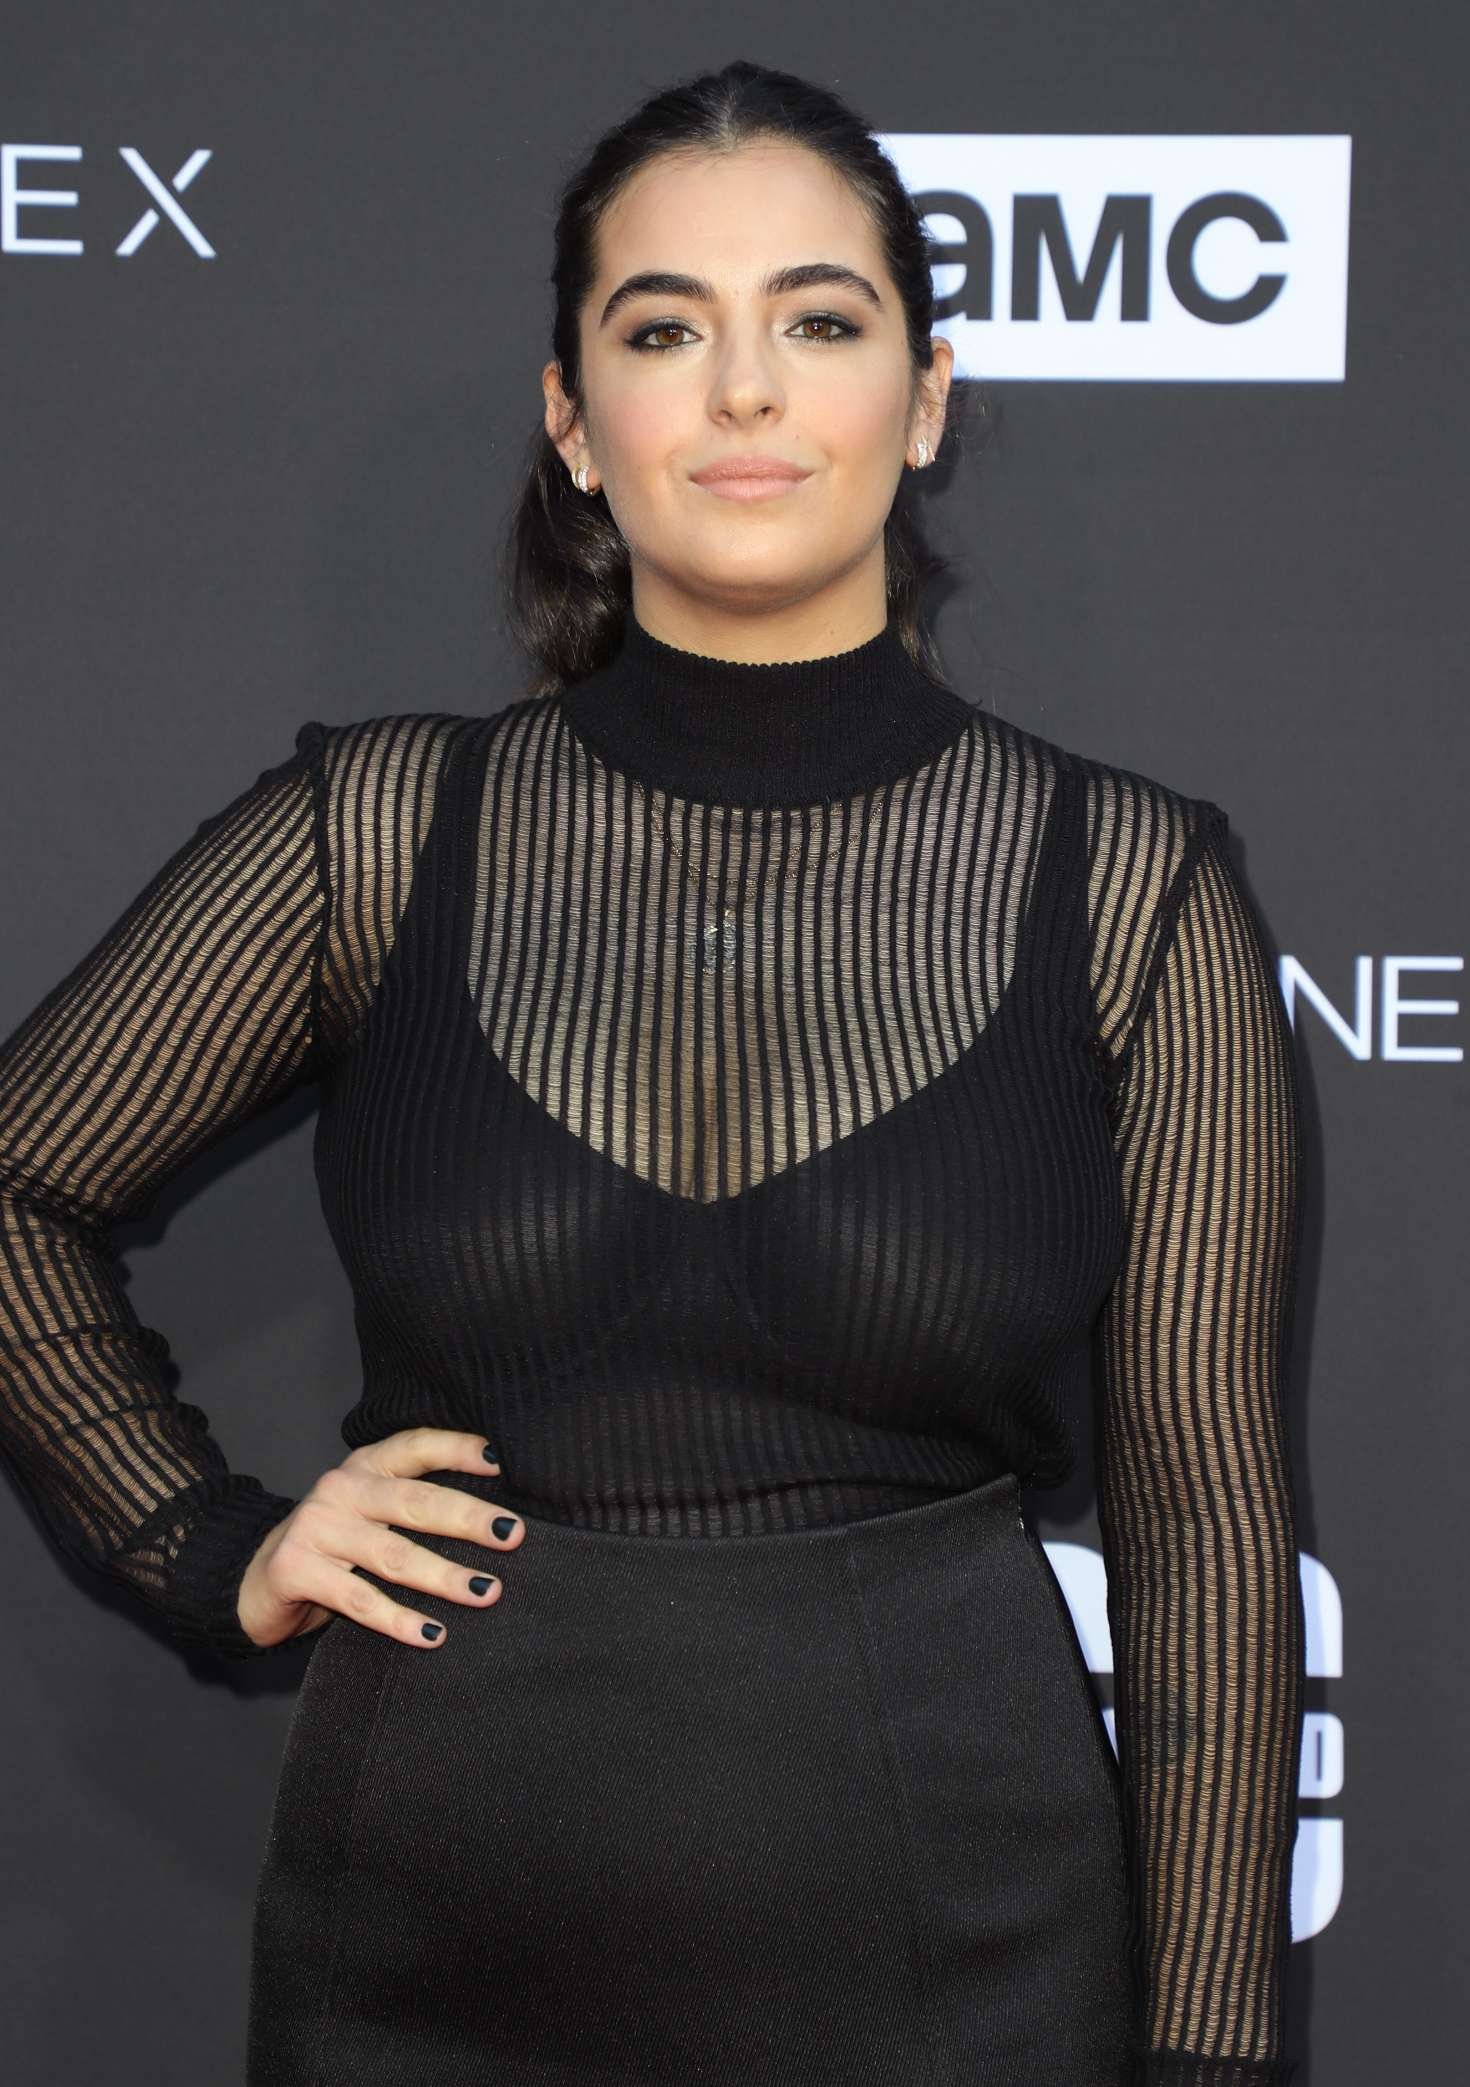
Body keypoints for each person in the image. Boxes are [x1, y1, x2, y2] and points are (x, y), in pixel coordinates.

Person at [0, 56, 1306, 2087]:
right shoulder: (381, 835)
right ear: (573, 422)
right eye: (666, 331)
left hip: (967, 1946)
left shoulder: (1125, 890)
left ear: (926, 399)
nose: (747, 391)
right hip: (420, 1938)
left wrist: (1209, 2052)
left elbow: (1204, 1514)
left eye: (820, 322)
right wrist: (205, 1538)